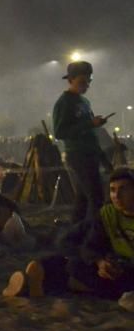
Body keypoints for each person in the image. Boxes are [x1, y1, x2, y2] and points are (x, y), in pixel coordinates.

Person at [5, 168, 134, 300]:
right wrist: (100, 262)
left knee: (120, 284)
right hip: (115, 266)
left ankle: (40, 283)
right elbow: (91, 245)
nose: (117, 196)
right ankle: (42, 276)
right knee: (74, 264)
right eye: (113, 190)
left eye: (123, 189)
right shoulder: (108, 213)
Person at [53, 61, 108, 222]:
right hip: (78, 155)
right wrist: (90, 123)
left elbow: (88, 130)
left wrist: (102, 156)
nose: (86, 86)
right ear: (70, 80)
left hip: (91, 153)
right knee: (96, 197)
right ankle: (94, 235)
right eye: (82, 82)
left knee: (83, 198)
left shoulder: (85, 102)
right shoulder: (64, 103)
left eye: (89, 81)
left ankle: (75, 232)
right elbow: (60, 132)